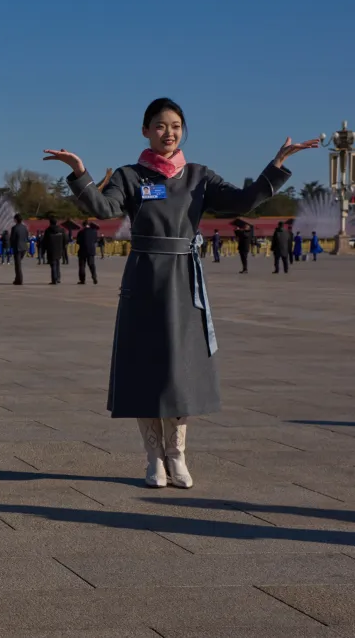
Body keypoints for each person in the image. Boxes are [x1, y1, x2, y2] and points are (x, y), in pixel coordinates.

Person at [43, 97, 317, 490]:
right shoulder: (131, 175)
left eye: (175, 125)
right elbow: (103, 208)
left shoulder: (198, 177)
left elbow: (241, 201)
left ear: (182, 130)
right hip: (143, 279)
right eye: (159, 125)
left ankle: (177, 454)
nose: (168, 132)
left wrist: (276, 166)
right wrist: (80, 172)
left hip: (185, 280)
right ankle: (152, 457)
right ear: (145, 131)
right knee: (144, 368)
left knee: (180, 369)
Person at [41, 216, 65, 284]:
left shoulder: (48, 230)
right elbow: (65, 239)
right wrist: (62, 247)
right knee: (57, 264)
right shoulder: (61, 230)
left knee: (53, 264)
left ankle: (54, 279)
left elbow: (44, 241)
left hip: (51, 250)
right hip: (59, 249)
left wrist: (43, 251)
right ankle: (58, 278)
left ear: (50, 223)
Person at [10, 214, 29, 285]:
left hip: (17, 248)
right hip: (24, 248)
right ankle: (17, 278)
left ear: (16, 220)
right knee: (18, 264)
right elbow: (27, 237)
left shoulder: (14, 228)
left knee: (18, 265)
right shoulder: (25, 227)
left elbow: (12, 239)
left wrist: (11, 247)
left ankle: (19, 280)